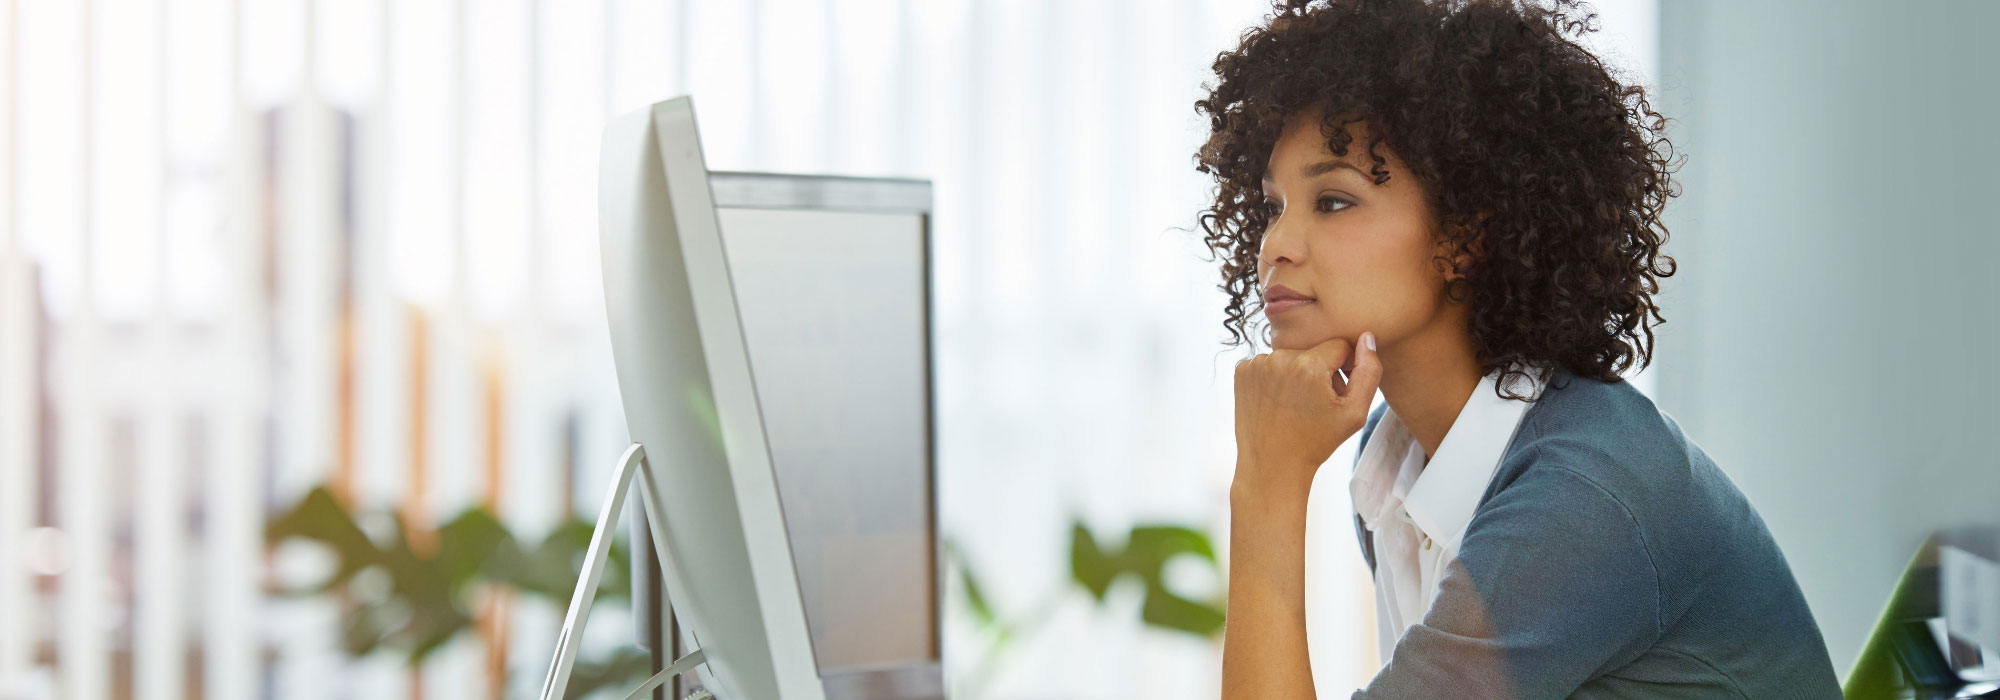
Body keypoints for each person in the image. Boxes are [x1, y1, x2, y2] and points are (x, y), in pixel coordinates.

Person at [1196, 0, 1843, 697]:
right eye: (1273, 207)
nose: (1274, 248)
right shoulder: (1391, 461)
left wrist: (1267, 485)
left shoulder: (1581, 497)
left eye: (1333, 201)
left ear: (1465, 235)